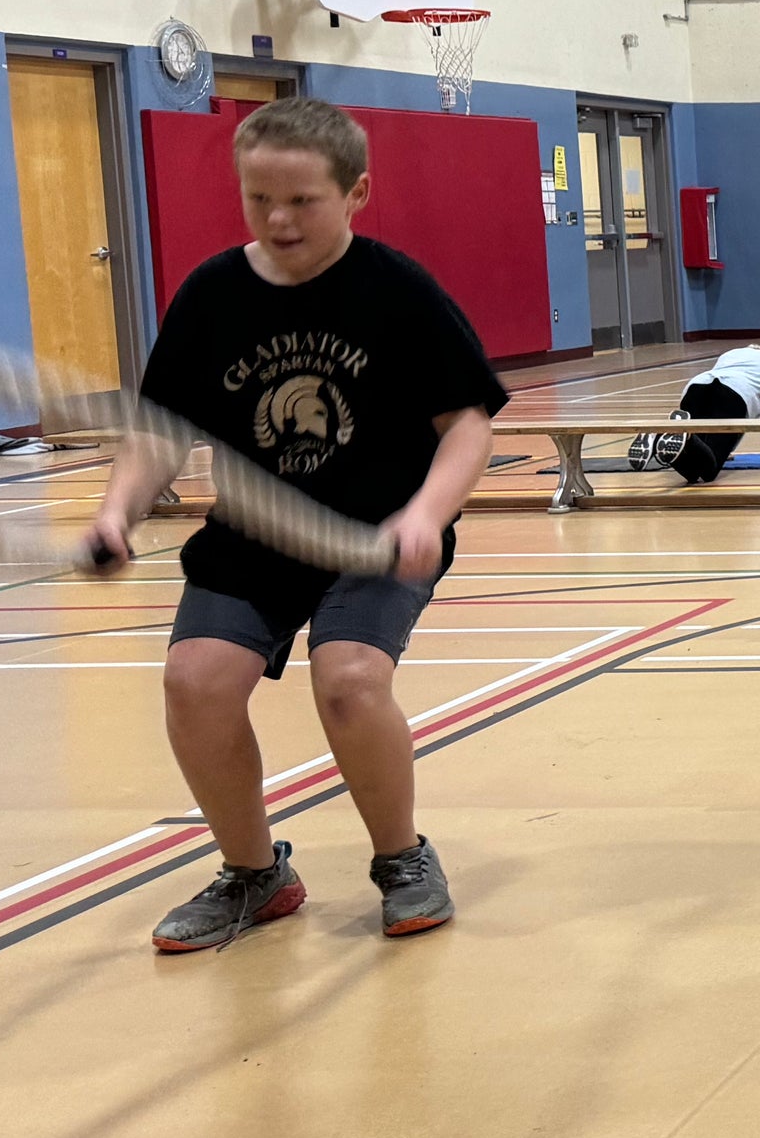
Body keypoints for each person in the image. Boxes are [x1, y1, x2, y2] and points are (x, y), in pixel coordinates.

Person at [80, 98, 508, 949]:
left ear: (356, 194)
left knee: (348, 678)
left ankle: (401, 858)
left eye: (302, 201)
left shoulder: (398, 291)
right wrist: (115, 509)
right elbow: (161, 430)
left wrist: (427, 512)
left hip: (374, 533)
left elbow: (468, 424)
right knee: (194, 682)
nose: (278, 220)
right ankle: (254, 874)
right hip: (253, 537)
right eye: (257, 200)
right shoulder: (210, 294)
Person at [651, 343, 760, 485]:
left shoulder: (731, 353)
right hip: (734, 395)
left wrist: (728, 449)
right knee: (709, 472)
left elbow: (715, 386)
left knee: (695, 467)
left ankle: (662, 435)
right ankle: (685, 436)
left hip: (696, 387)